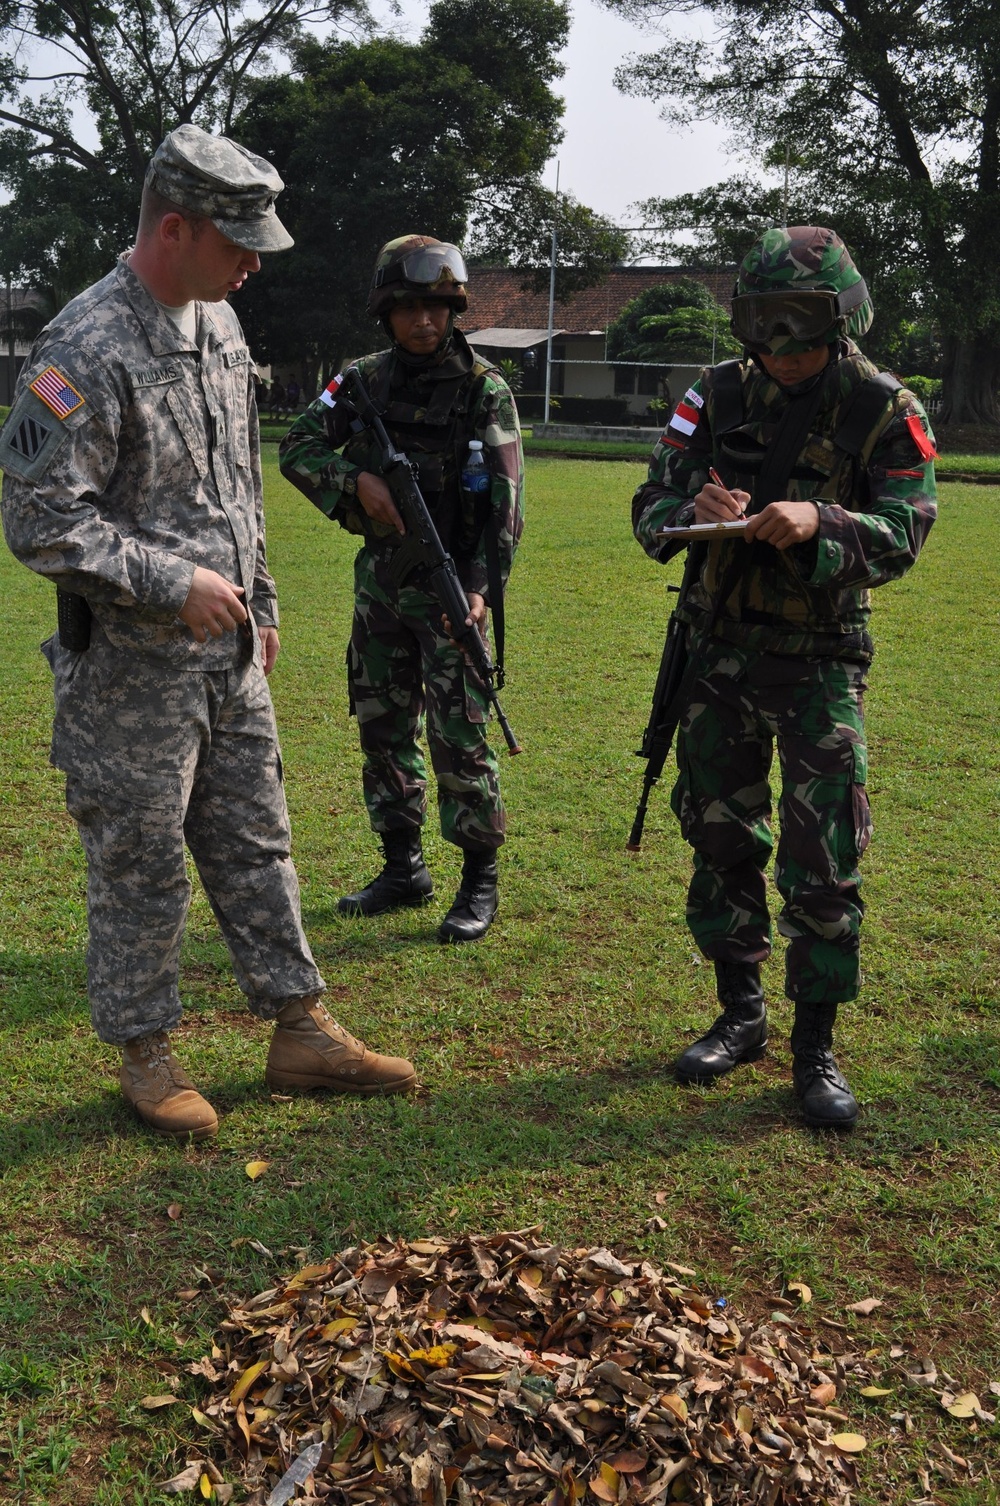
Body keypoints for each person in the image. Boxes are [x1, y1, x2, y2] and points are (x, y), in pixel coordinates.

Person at [0, 124, 415, 1142]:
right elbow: (37, 516)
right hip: (130, 673)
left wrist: (260, 599)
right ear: (174, 228)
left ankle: (298, 1026)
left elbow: (239, 490)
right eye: (238, 244)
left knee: (257, 843)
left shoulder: (218, 328)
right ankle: (147, 1056)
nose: (253, 264)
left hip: (227, 659)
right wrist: (168, 579)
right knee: (141, 862)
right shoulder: (80, 346)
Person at [631, 226, 937, 1129]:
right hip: (717, 651)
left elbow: (907, 528)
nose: (786, 351)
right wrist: (694, 508)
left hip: (820, 664)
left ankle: (816, 1047)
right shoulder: (713, 396)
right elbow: (650, 505)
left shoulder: (883, 407)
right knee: (720, 837)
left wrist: (820, 519)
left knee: (822, 855)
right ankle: (740, 1016)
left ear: (843, 321)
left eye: (804, 332)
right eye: (768, 332)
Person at [280, 236, 524, 942]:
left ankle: (479, 881)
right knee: (383, 729)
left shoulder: (486, 389)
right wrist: (354, 481)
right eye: (410, 307)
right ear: (386, 310)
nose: (424, 322)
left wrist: (479, 589)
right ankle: (402, 868)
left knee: (462, 738)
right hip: (383, 585)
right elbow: (299, 446)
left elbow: (506, 509)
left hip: (455, 592)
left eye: (438, 307)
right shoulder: (358, 382)